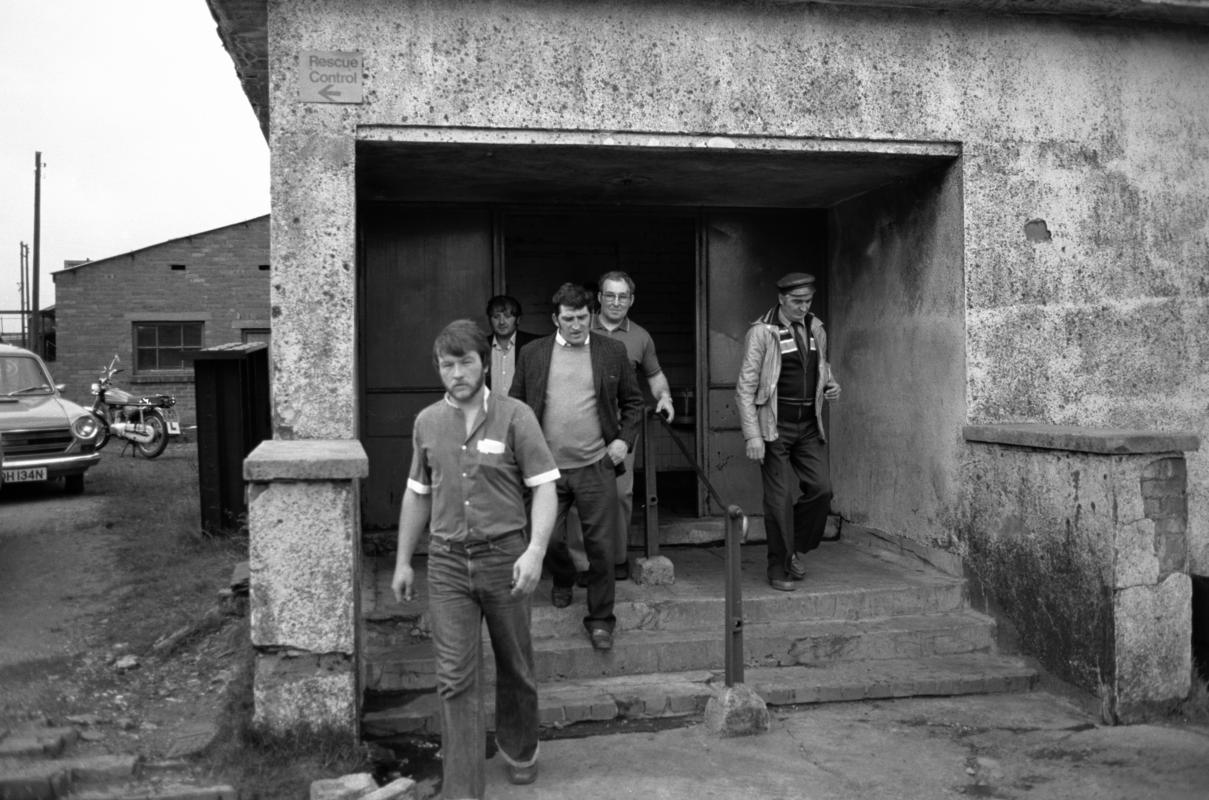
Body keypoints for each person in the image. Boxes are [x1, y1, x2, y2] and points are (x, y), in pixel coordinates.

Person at [391, 319, 559, 798]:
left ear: (485, 362)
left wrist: (535, 550)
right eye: (447, 364)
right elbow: (417, 493)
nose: (457, 372)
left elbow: (545, 486)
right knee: (454, 677)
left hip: (506, 558)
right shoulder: (426, 422)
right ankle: (463, 789)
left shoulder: (515, 416)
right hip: (446, 563)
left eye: (465, 362)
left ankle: (520, 747)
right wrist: (404, 560)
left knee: (515, 664)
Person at [509, 283, 643, 651]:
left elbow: (634, 403)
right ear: (556, 319)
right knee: (547, 538)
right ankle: (564, 577)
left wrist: (622, 442)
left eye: (583, 318)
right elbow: (517, 406)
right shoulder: (533, 354)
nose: (576, 325)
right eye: (568, 319)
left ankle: (600, 619)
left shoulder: (611, 352)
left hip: (595, 465)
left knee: (601, 547)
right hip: (546, 470)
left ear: (591, 316)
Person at [735, 272, 841, 592]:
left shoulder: (815, 327)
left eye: (808, 301)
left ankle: (792, 546)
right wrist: (752, 435)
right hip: (774, 427)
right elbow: (745, 387)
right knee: (778, 499)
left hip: (808, 425)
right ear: (781, 299)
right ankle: (778, 565)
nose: (803, 307)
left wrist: (831, 383)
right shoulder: (762, 332)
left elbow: (821, 365)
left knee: (821, 490)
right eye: (797, 302)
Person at [590, 270, 675, 580]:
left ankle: (616, 559)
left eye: (622, 296)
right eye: (609, 295)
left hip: (622, 424)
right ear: (598, 297)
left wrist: (665, 397)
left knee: (619, 495)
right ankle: (583, 564)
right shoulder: (579, 326)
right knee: (576, 496)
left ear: (631, 300)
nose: (615, 301)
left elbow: (654, 376)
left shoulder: (640, 336)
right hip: (581, 422)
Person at [485, 295, 537, 394]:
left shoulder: (532, 345)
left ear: (518, 319)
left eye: (507, 316)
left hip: (522, 408)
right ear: (489, 320)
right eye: (496, 317)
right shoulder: (480, 346)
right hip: (490, 408)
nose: (501, 322)